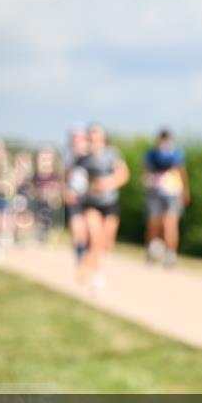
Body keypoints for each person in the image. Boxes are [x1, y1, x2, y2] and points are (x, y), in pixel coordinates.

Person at [77, 124, 129, 291]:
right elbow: (73, 177)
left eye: (97, 134)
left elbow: (124, 174)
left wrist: (109, 183)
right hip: (91, 203)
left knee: (106, 239)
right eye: (91, 135)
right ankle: (96, 273)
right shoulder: (82, 157)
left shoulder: (111, 154)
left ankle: (94, 262)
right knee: (96, 236)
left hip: (110, 202)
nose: (94, 138)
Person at [143, 129, 190, 268]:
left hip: (173, 193)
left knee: (170, 223)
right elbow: (145, 173)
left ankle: (170, 254)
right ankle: (152, 249)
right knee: (154, 224)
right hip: (155, 193)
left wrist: (185, 191)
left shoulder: (176, 155)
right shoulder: (151, 155)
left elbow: (182, 172)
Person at [64, 127, 91, 277]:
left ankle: (87, 255)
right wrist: (66, 190)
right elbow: (65, 176)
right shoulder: (69, 156)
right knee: (76, 228)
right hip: (74, 195)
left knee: (87, 229)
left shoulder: (91, 154)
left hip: (89, 197)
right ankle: (80, 256)